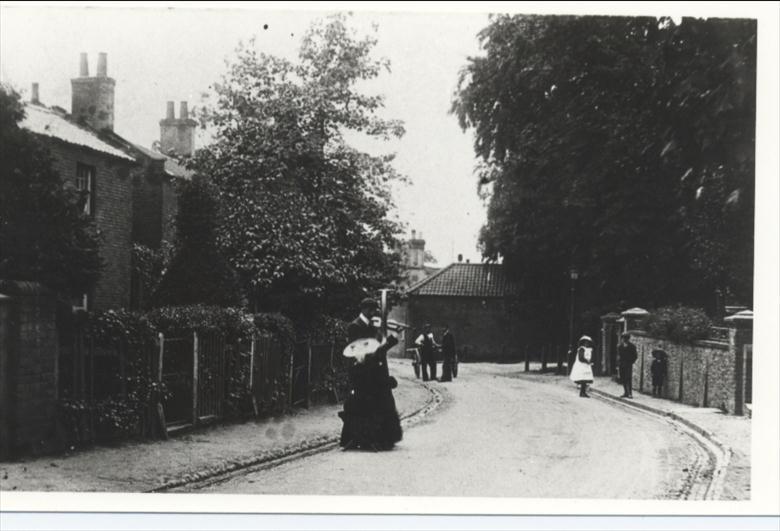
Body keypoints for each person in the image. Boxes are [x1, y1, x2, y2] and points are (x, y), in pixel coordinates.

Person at [338, 298, 403, 451]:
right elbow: (363, 352)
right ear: (366, 310)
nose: (375, 314)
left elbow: (376, 346)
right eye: (373, 310)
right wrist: (390, 342)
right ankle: (365, 438)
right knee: (368, 403)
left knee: (381, 401)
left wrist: (386, 338)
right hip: (363, 371)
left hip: (374, 370)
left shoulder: (370, 326)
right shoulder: (355, 326)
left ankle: (381, 439)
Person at [617, 332, 638, 398]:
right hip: (622, 364)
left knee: (628, 378)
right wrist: (618, 363)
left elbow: (635, 356)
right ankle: (625, 392)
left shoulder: (632, 346)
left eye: (626, 338)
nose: (624, 339)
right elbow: (618, 356)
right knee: (623, 378)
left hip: (628, 364)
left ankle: (630, 393)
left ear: (628, 339)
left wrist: (631, 362)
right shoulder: (620, 346)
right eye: (623, 338)